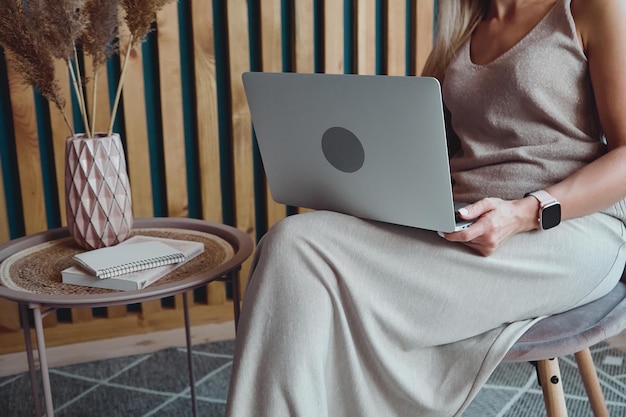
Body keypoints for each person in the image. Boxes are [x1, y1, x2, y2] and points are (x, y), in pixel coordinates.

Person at [225, 0, 626, 415]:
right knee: (291, 243)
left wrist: (525, 212)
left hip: (566, 225)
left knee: (309, 262)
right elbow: (420, 140)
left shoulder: (590, 8)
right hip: (464, 218)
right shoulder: (465, 25)